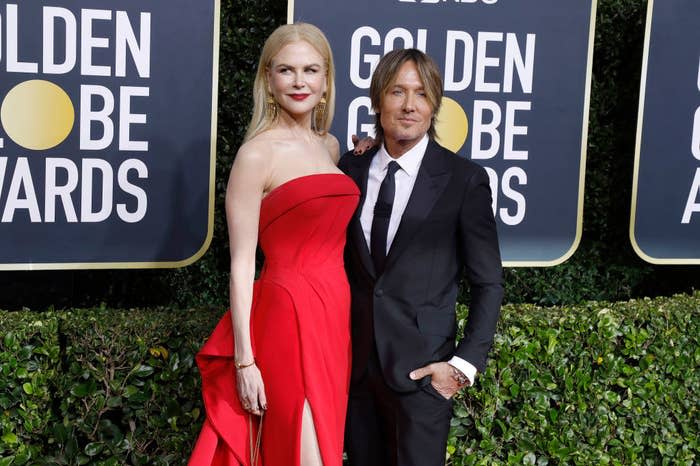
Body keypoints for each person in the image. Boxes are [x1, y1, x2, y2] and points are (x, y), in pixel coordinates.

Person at [189, 23, 359, 466]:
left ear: (326, 83)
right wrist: (245, 362)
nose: (299, 81)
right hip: (287, 317)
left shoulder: (331, 147)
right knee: (302, 450)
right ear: (268, 79)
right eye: (287, 70)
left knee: (325, 442)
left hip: (335, 314)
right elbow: (242, 266)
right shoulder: (256, 155)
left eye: (311, 70)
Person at [339, 48, 504, 466]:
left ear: (434, 105)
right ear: (378, 101)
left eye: (421, 94)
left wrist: (462, 366)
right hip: (354, 372)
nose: (409, 105)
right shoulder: (349, 169)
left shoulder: (464, 180)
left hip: (422, 377)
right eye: (397, 92)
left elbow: (488, 283)